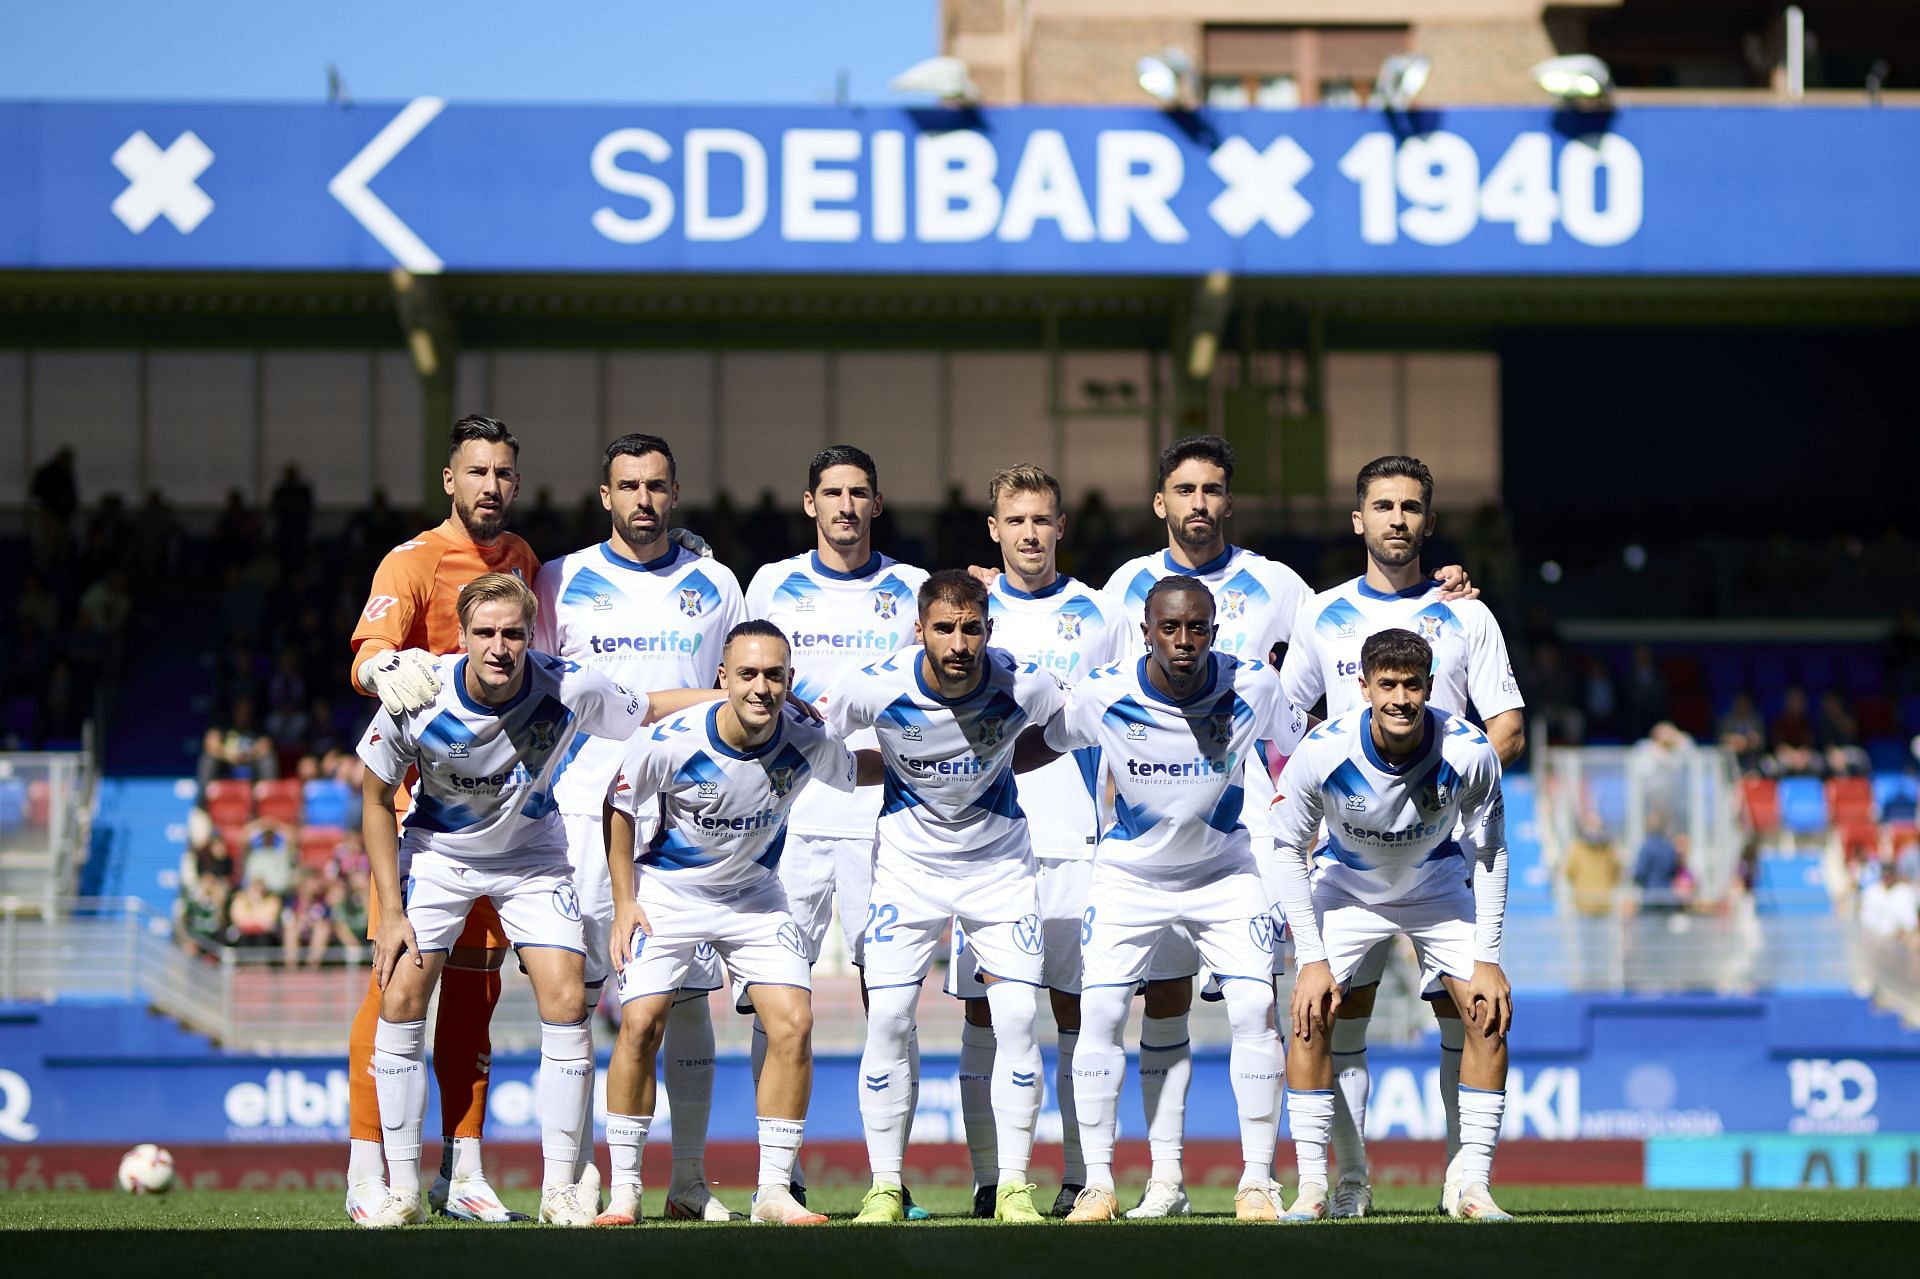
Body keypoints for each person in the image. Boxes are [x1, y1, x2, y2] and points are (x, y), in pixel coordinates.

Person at [1100, 436, 1473, 1217]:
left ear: (1228, 501)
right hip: (1142, 844)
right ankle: (1157, 1179)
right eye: (1184, 489)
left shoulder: (1282, 587)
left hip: (1249, 849)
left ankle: (1268, 1179)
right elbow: (1084, 695)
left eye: (1212, 489)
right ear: (1161, 500)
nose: (1199, 502)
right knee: (1159, 1000)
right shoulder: (1122, 586)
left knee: (1270, 1010)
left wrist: (1448, 591)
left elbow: (1303, 707)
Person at [352, 573, 649, 1229]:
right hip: (436, 853)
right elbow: (373, 797)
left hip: (531, 858)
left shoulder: (571, 684)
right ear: (461, 637)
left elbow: (646, 709)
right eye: (484, 632)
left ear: (529, 635)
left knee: (569, 998)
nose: (499, 646)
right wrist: (391, 913)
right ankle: (401, 1190)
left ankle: (560, 1189)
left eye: (512, 632)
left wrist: (726, 695)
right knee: (401, 995)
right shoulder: (419, 693)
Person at [1276, 454, 1524, 1217]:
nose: (1396, 518)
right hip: (1348, 860)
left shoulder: (1468, 614)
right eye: (1382, 506)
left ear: (1428, 520)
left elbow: (1506, 729)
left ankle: (1467, 1182)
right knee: (1325, 1014)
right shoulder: (1321, 612)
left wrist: (1433, 786)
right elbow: (1287, 727)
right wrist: (1338, 795)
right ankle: (1339, 1181)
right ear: (1359, 519)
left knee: (1475, 1010)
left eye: (1410, 506)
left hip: (1440, 858)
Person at [1035, 577, 1307, 1223]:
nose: (1184, 641)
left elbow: (1304, 745)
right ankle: (1098, 1184)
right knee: (1098, 1012)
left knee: (1253, 1005)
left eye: (1197, 628)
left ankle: (1259, 1184)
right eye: (1170, 628)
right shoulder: (1106, 692)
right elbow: (1043, 740)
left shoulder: (1255, 685)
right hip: (1130, 874)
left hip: (1225, 871)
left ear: (1214, 629)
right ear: (1147, 631)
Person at [597, 621, 878, 1228]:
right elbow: (617, 804)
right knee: (641, 1022)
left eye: (774, 676)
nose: (761, 688)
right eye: (747, 674)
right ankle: (624, 1192)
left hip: (754, 896)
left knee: (794, 1022)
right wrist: (625, 903)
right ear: (722, 678)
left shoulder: (808, 739)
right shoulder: (669, 740)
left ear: (790, 682)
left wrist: (944, 754)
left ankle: (774, 1191)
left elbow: (858, 771)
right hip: (668, 893)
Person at [533, 433, 747, 1219]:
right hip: (585, 814)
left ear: (676, 491)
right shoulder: (561, 581)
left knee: (685, 999)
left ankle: (687, 1180)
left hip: (687, 816)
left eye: (657, 485)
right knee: (578, 998)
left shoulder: (716, 581)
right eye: (629, 486)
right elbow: (537, 694)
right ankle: (574, 1176)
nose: (644, 500)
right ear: (604, 496)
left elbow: (740, 687)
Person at [340, 415, 543, 1225]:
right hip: (422, 820)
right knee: (394, 989)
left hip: (500, 815)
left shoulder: (521, 559)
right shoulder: (414, 560)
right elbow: (368, 654)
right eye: (476, 472)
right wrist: (382, 665)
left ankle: (463, 1170)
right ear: (449, 481)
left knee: (476, 997)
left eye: (502, 472)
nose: (490, 485)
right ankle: (370, 1173)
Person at [825, 571, 1066, 1225]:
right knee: (889, 1019)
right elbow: (819, 736)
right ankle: (885, 1186)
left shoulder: (1025, 681)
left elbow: (1069, 727)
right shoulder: (875, 682)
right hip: (906, 869)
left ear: (989, 628)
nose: (959, 642)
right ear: (919, 630)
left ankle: (1014, 1185)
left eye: (971, 627)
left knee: (1016, 1020)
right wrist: (867, 771)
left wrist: (1008, 759)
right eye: (944, 627)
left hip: (999, 868)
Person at [741, 446, 931, 1214]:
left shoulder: (913, 587)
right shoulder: (772, 585)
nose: (846, 506)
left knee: (891, 1004)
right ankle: (776, 1175)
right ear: (809, 503)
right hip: (791, 819)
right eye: (832, 493)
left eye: (859, 493)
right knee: (777, 1000)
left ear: (876, 504)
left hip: (887, 820)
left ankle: (889, 1176)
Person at [950, 464, 1130, 1217]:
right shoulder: (967, 611)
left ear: (1061, 526)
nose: (1029, 532)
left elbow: (1127, 723)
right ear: (994, 528)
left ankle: (1081, 1177)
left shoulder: (1098, 614)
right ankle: (994, 1180)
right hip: (984, 842)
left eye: (1041, 519)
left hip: (1075, 841)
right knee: (985, 1013)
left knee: (1074, 1012)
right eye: (1015, 519)